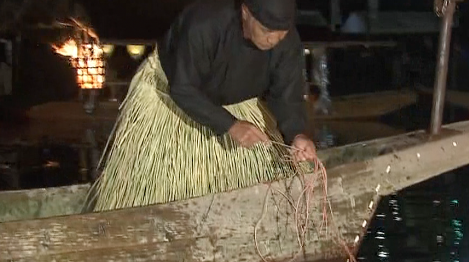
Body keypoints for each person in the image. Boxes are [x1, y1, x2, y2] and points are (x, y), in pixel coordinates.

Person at [89, 0, 317, 212]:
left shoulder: (286, 42)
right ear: (246, 13)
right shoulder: (204, 24)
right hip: (175, 102)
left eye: (282, 33)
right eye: (267, 31)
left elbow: (288, 93)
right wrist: (231, 125)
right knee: (169, 192)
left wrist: (296, 133)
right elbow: (183, 88)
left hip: (236, 103)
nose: (274, 39)